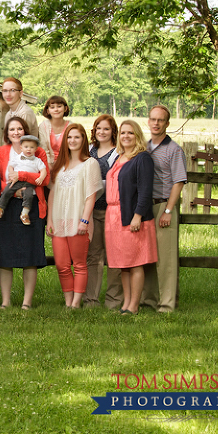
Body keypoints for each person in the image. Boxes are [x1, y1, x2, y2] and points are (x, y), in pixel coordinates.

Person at [0, 117, 50, 309]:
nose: (16, 133)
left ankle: (27, 302)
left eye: (20, 129)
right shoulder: (1, 152)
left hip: (31, 207)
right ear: (7, 133)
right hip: (6, 207)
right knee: (5, 255)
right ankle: (6, 301)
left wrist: (23, 176)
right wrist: (13, 190)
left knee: (30, 255)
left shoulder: (38, 151)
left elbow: (45, 179)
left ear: (26, 131)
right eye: (12, 129)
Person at [46, 123, 102, 309]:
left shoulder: (90, 164)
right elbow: (52, 194)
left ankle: (76, 303)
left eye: (77, 137)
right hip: (59, 221)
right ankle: (68, 302)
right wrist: (50, 220)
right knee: (62, 265)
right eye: (69, 137)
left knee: (79, 264)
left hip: (78, 220)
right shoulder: (60, 166)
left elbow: (90, 196)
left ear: (83, 140)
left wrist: (85, 220)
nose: (72, 141)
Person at [105, 121, 158, 315]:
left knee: (135, 262)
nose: (126, 136)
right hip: (113, 215)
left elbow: (145, 191)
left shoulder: (142, 158)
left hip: (131, 216)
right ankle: (126, 303)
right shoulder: (118, 157)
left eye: (130, 133)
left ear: (137, 135)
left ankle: (134, 305)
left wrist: (138, 216)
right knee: (123, 264)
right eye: (122, 133)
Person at [141, 105, 187, 313]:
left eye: (160, 120)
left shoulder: (174, 150)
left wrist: (168, 210)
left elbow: (178, 182)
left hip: (164, 206)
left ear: (167, 124)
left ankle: (167, 304)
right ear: (148, 121)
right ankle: (148, 300)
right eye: (153, 119)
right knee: (148, 256)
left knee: (166, 259)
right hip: (145, 207)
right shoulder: (144, 147)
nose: (156, 123)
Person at [84, 114, 121, 308]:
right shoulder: (89, 150)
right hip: (91, 211)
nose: (102, 132)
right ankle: (91, 299)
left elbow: (116, 182)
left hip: (112, 211)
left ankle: (114, 300)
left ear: (113, 131)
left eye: (106, 129)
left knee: (114, 255)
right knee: (93, 255)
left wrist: (95, 185)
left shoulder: (118, 153)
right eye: (99, 128)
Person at [0, 134, 46, 225]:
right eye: (26, 147)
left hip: (29, 183)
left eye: (31, 147)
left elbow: (43, 170)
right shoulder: (17, 158)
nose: (28, 149)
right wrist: (11, 174)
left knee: (29, 196)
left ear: (36, 149)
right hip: (16, 181)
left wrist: (41, 177)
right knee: (7, 190)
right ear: (21, 148)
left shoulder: (37, 161)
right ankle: (0, 208)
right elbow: (10, 166)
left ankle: (24, 214)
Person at [38, 95, 71, 166]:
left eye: (59, 106)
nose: (56, 109)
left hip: (68, 163)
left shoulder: (71, 126)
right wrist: (49, 165)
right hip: (47, 164)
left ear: (65, 108)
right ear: (48, 111)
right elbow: (43, 149)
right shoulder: (43, 126)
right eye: (52, 107)